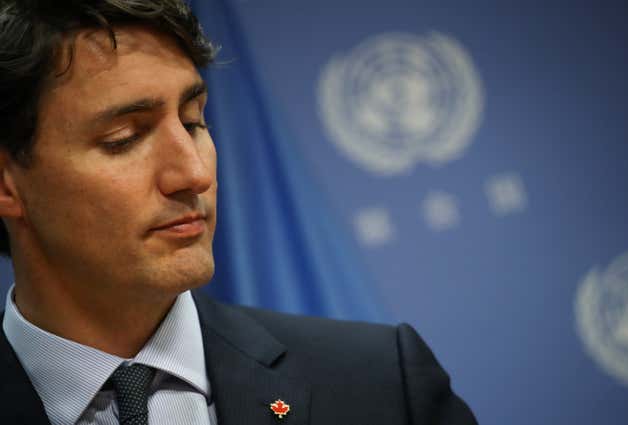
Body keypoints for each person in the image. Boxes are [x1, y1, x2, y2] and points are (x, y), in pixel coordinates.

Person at [0, 1, 477, 424]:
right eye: (124, 138)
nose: (193, 173)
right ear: (7, 183)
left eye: (193, 121)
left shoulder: (382, 383)